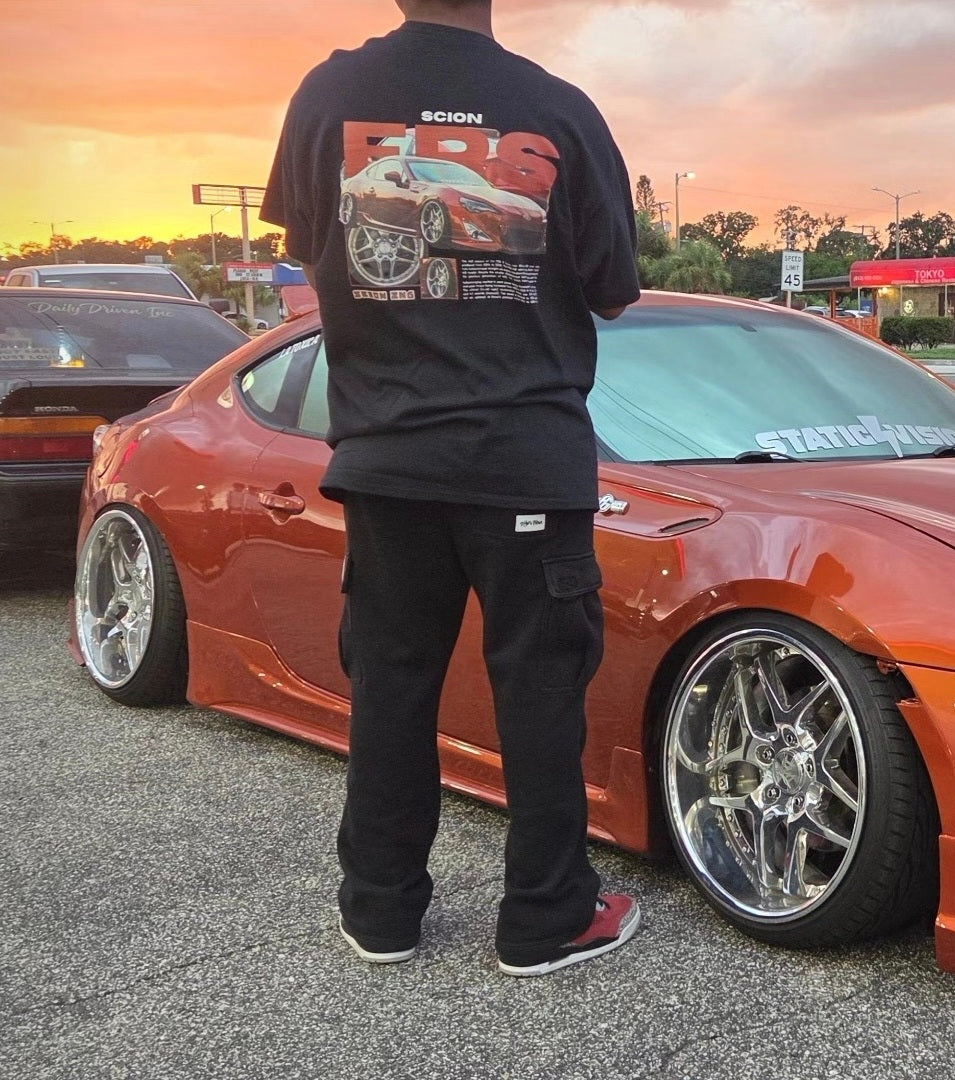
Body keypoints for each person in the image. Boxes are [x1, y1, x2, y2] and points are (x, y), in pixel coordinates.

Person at [261, 0, 641, 977]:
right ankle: (547, 917)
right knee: (540, 691)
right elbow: (608, 285)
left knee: (389, 683)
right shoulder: (556, 108)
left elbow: (310, 248)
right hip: (525, 455)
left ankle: (380, 912)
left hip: (386, 461)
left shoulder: (327, 96)